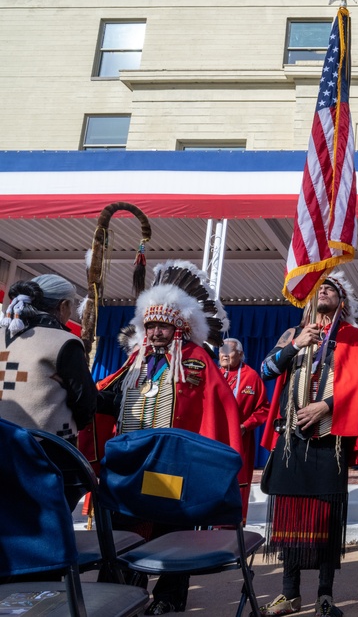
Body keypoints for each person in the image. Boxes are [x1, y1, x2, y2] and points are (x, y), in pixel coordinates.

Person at [94, 260, 241, 616]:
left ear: (178, 326)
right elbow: (109, 398)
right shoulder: (136, 361)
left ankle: (169, 595)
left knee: (170, 528)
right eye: (151, 325)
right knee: (126, 523)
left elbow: (219, 411)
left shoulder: (197, 361)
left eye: (162, 325)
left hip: (173, 464)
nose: (156, 331)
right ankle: (122, 589)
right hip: (131, 462)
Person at [258, 272, 358, 617]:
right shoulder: (292, 334)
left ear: (342, 302)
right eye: (318, 288)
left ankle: (325, 595)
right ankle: (289, 594)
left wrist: (326, 405)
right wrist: (296, 344)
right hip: (291, 442)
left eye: (331, 288)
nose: (324, 290)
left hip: (331, 443)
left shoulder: (354, 337)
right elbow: (267, 370)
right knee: (289, 519)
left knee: (327, 520)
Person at [0, 274, 98, 443]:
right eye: (71, 306)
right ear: (63, 305)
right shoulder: (64, 342)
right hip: (44, 448)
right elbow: (85, 403)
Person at [219, 338, 270, 524]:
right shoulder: (213, 374)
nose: (224, 355)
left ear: (240, 354)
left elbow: (263, 409)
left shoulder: (251, 377)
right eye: (221, 351)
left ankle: (234, 528)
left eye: (229, 351)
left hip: (240, 440)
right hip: (215, 438)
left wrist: (245, 425)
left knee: (239, 482)